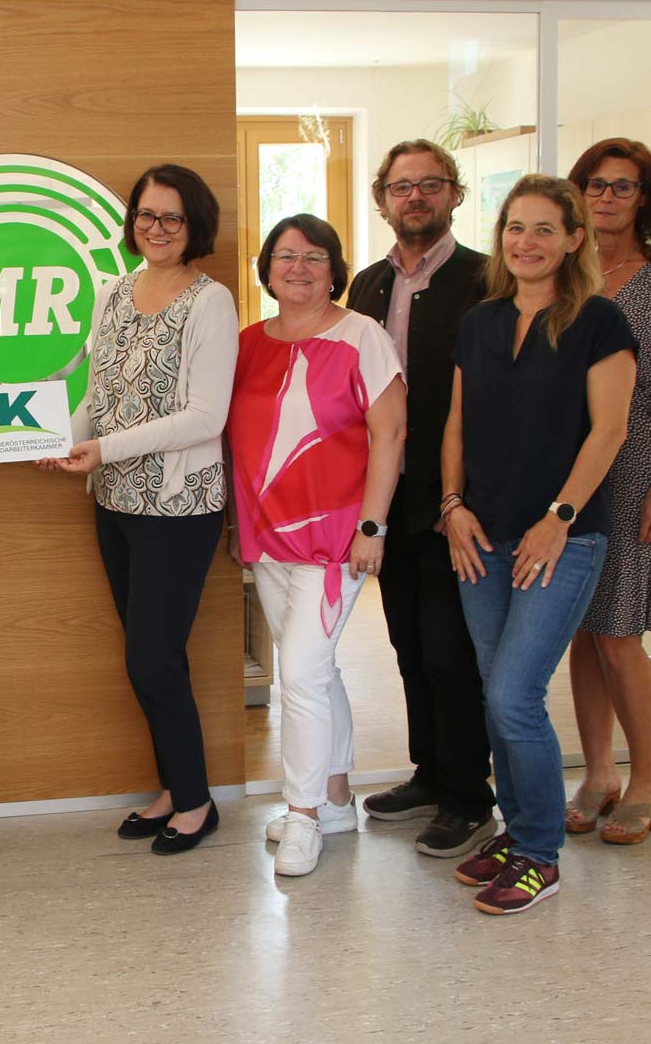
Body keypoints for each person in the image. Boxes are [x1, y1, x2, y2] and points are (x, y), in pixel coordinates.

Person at [443, 174, 637, 914]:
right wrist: (452, 506)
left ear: (574, 240)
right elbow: (457, 422)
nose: (526, 242)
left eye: (544, 229)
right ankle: (519, 828)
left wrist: (558, 517)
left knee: (515, 695)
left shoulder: (599, 321)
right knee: (497, 693)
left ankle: (539, 853)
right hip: (480, 536)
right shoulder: (480, 321)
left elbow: (610, 431)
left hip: (562, 539)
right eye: (515, 228)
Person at [42, 163, 236, 856]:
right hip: (115, 500)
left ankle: (197, 801)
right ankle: (177, 788)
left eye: (171, 217)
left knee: (151, 660)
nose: (156, 228)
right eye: (146, 215)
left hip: (178, 507)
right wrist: (61, 439)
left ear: (194, 225)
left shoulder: (211, 302)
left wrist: (104, 448)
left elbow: (206, 418)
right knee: (151, 658)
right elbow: (97, 393)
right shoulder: (113, 292)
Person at [229, 214, 406, 878]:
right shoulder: (247, 345)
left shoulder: (362, 336)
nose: (298, 267)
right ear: (266, 269)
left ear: (335, 269)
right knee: (318, 671)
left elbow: (391, 434)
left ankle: (300, 813)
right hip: (268, 536)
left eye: (313, 256)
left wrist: (372, 527)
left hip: (337, 540)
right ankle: (334, 800)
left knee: (300, 674)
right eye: (285, 256)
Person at [346, 140, 496, 859]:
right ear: (383, 200)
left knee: (449, 652)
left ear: (454, 195)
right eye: (402, 187)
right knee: (407, 643)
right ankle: (430, 774)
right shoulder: (368, 285)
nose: (416, 197)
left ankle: (469, 797)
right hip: (391, 494)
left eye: (430, 184)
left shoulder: (487, 280)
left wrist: (463, 496)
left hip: (456, 500)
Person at [564, 140, 651, 845]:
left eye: (623, 186)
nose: (607, 197)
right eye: (596, 184)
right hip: (573, 471)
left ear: (643, 197)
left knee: (620, 635)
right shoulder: (567, 274)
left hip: (639, 468)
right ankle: (598, 774)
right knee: (581, 631)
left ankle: (649, 778)